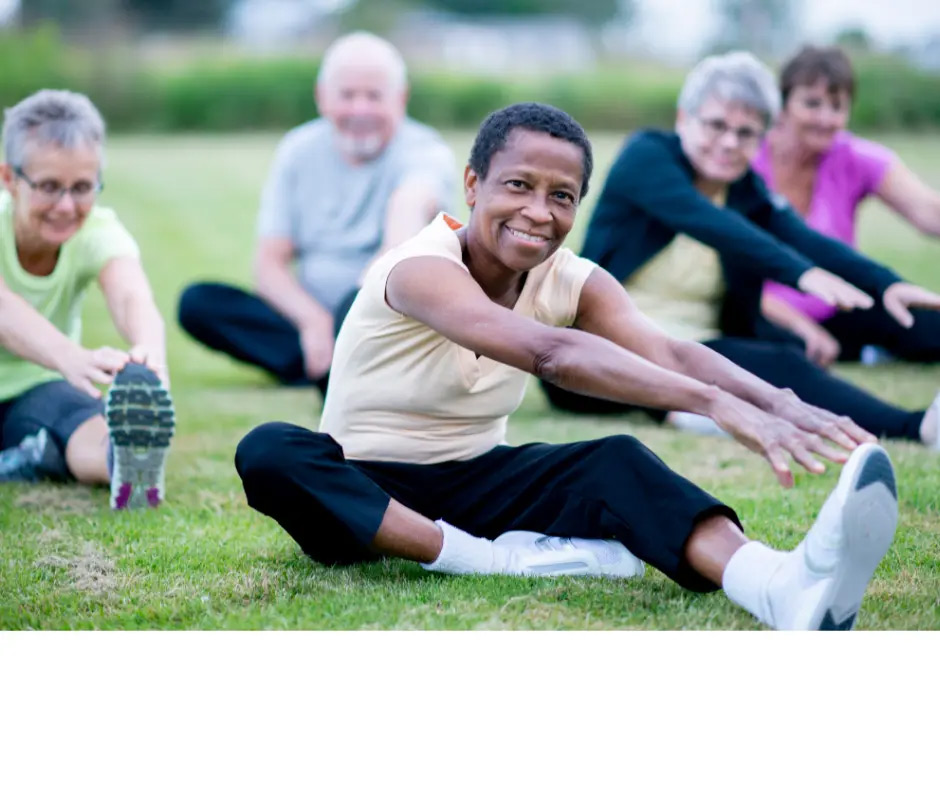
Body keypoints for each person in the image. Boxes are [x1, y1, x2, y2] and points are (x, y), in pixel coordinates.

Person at [235, 103, 901, 631]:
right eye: (518, 186)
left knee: (616, 459)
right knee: (269, 450)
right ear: (473, 185)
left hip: (473, 480)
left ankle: (776, 584)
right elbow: (550, 353)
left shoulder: (573, 278)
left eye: (563, 196)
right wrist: (713, 406)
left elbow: (667, 349)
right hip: (362, 496)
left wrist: (773, 400)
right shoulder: (418, 268)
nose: (538, 212)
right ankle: (493, 562)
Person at [546, 51, 940, 446]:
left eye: (747, 133)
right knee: (778, 365)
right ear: (685, 119)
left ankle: (690, 410)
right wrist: (801, 273)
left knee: (826, 338)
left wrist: (885, 283)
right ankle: (917, 428)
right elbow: (711, 223)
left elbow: (802, 237)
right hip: (600, 351)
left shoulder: (745, 188)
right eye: (716, 125)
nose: (730, 143)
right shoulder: (648, 157)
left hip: (699, 341)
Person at [177, 32, 456, 393]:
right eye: (347, 95)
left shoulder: (425, 151)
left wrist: (351, 316)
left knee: (372, 314)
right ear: (322, 97)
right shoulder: (297, 150)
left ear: (400, 99)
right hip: (310, 316)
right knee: (200, 302)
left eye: (374, 96)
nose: (360, 109)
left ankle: (336, 364)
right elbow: (269, 265)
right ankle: (331, 364)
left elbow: (403, 230)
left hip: (383, 309)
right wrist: (313, 321)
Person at [0, 89, 174, 509]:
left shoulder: (97, 230)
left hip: (35, 389)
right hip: (58, 365)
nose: (66, 206)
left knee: (79, 418)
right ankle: (30, 458)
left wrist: (150, 353)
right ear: (9, 179)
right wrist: (69, 355)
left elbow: (131, 295)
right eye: (48, 187)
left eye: (82, 187)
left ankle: (122, 462)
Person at [752, 45, 940, 366]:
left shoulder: (854, 157)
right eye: (812, 103)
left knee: (928, 326)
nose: (826, 118)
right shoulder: (746, 160)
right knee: (776, 351)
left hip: (840, 305)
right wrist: (802, 327)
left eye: (837, 106)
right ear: (782, 105)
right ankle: (863, 352)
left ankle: (865, 350)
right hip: (761, 310)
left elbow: (929, 212)